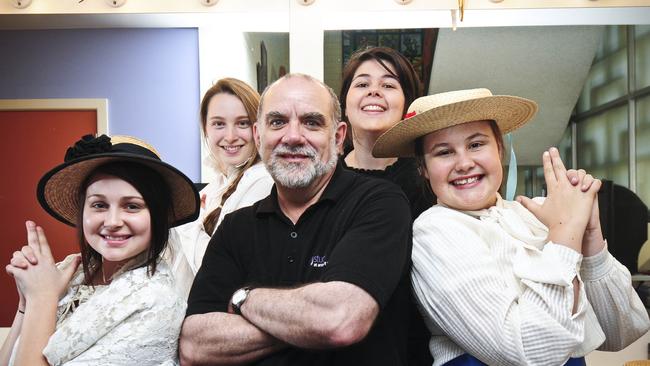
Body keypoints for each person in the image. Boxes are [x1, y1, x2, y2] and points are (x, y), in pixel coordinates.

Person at [372, 88, 650, 366]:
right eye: (444, 152)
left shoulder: (535, 216)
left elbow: (622, 333)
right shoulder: (434, 230)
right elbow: (528, 352)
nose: (465, 163)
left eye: (476, 145)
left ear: (500, 149)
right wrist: (565, 232)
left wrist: (588, 237)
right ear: (423, 169)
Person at [179, 73, 413, 365]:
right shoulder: (236, 227)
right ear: (258, 135)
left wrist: (244, 299)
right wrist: (305, 323)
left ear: (338, 138)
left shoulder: (379, 202)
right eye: (277, 122)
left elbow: (339, 320)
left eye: (312, 122)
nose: (292, 136)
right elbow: (194, 345)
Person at [1, 134, 200, 366]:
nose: (113, 221)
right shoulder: (69, 275)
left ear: (156, 216)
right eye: (99, 205)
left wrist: (42, 297)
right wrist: (25, 304)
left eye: (132, 206)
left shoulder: (155, 302)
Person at [339, 46, 435, 365]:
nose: (374, 92)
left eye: (389, 84)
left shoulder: (429, 179)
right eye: (362, 83)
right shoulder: (323, 180)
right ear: (345, 102)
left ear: (406, 102)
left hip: (413, 345)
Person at [169, 78, 273, 295]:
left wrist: (188, 219)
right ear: (205, 129)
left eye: (242, 123)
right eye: (218, 123)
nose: (230, 136)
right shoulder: (216, 184)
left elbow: (216, 270)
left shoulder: (261, 180)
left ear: (257, 128)